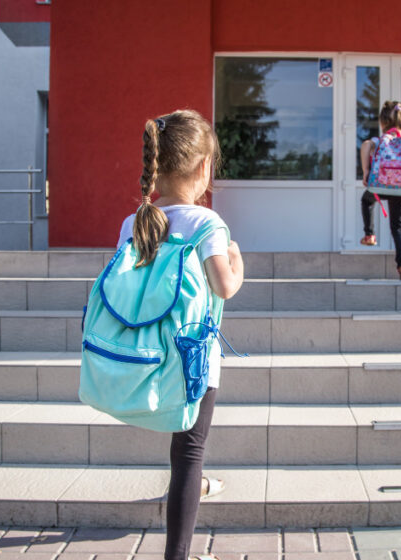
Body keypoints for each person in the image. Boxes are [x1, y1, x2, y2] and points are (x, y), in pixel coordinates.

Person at [116, 109, 243, 560]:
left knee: (184, 454)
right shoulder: (207, 223)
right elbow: (224, 285)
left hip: (146, 354)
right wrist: (238, 260)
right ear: (204, 167)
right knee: (189, 452)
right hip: (193, 360)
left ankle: (191, 500)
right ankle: (179, 554)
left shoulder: (134, 223)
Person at [360, 101, 401, 281]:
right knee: (398, 227)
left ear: (382, 123)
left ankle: (369, 234)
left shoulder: (379, 140)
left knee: (366, 200)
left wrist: (366, 171)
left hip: (380, 185)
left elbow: (366, 145)